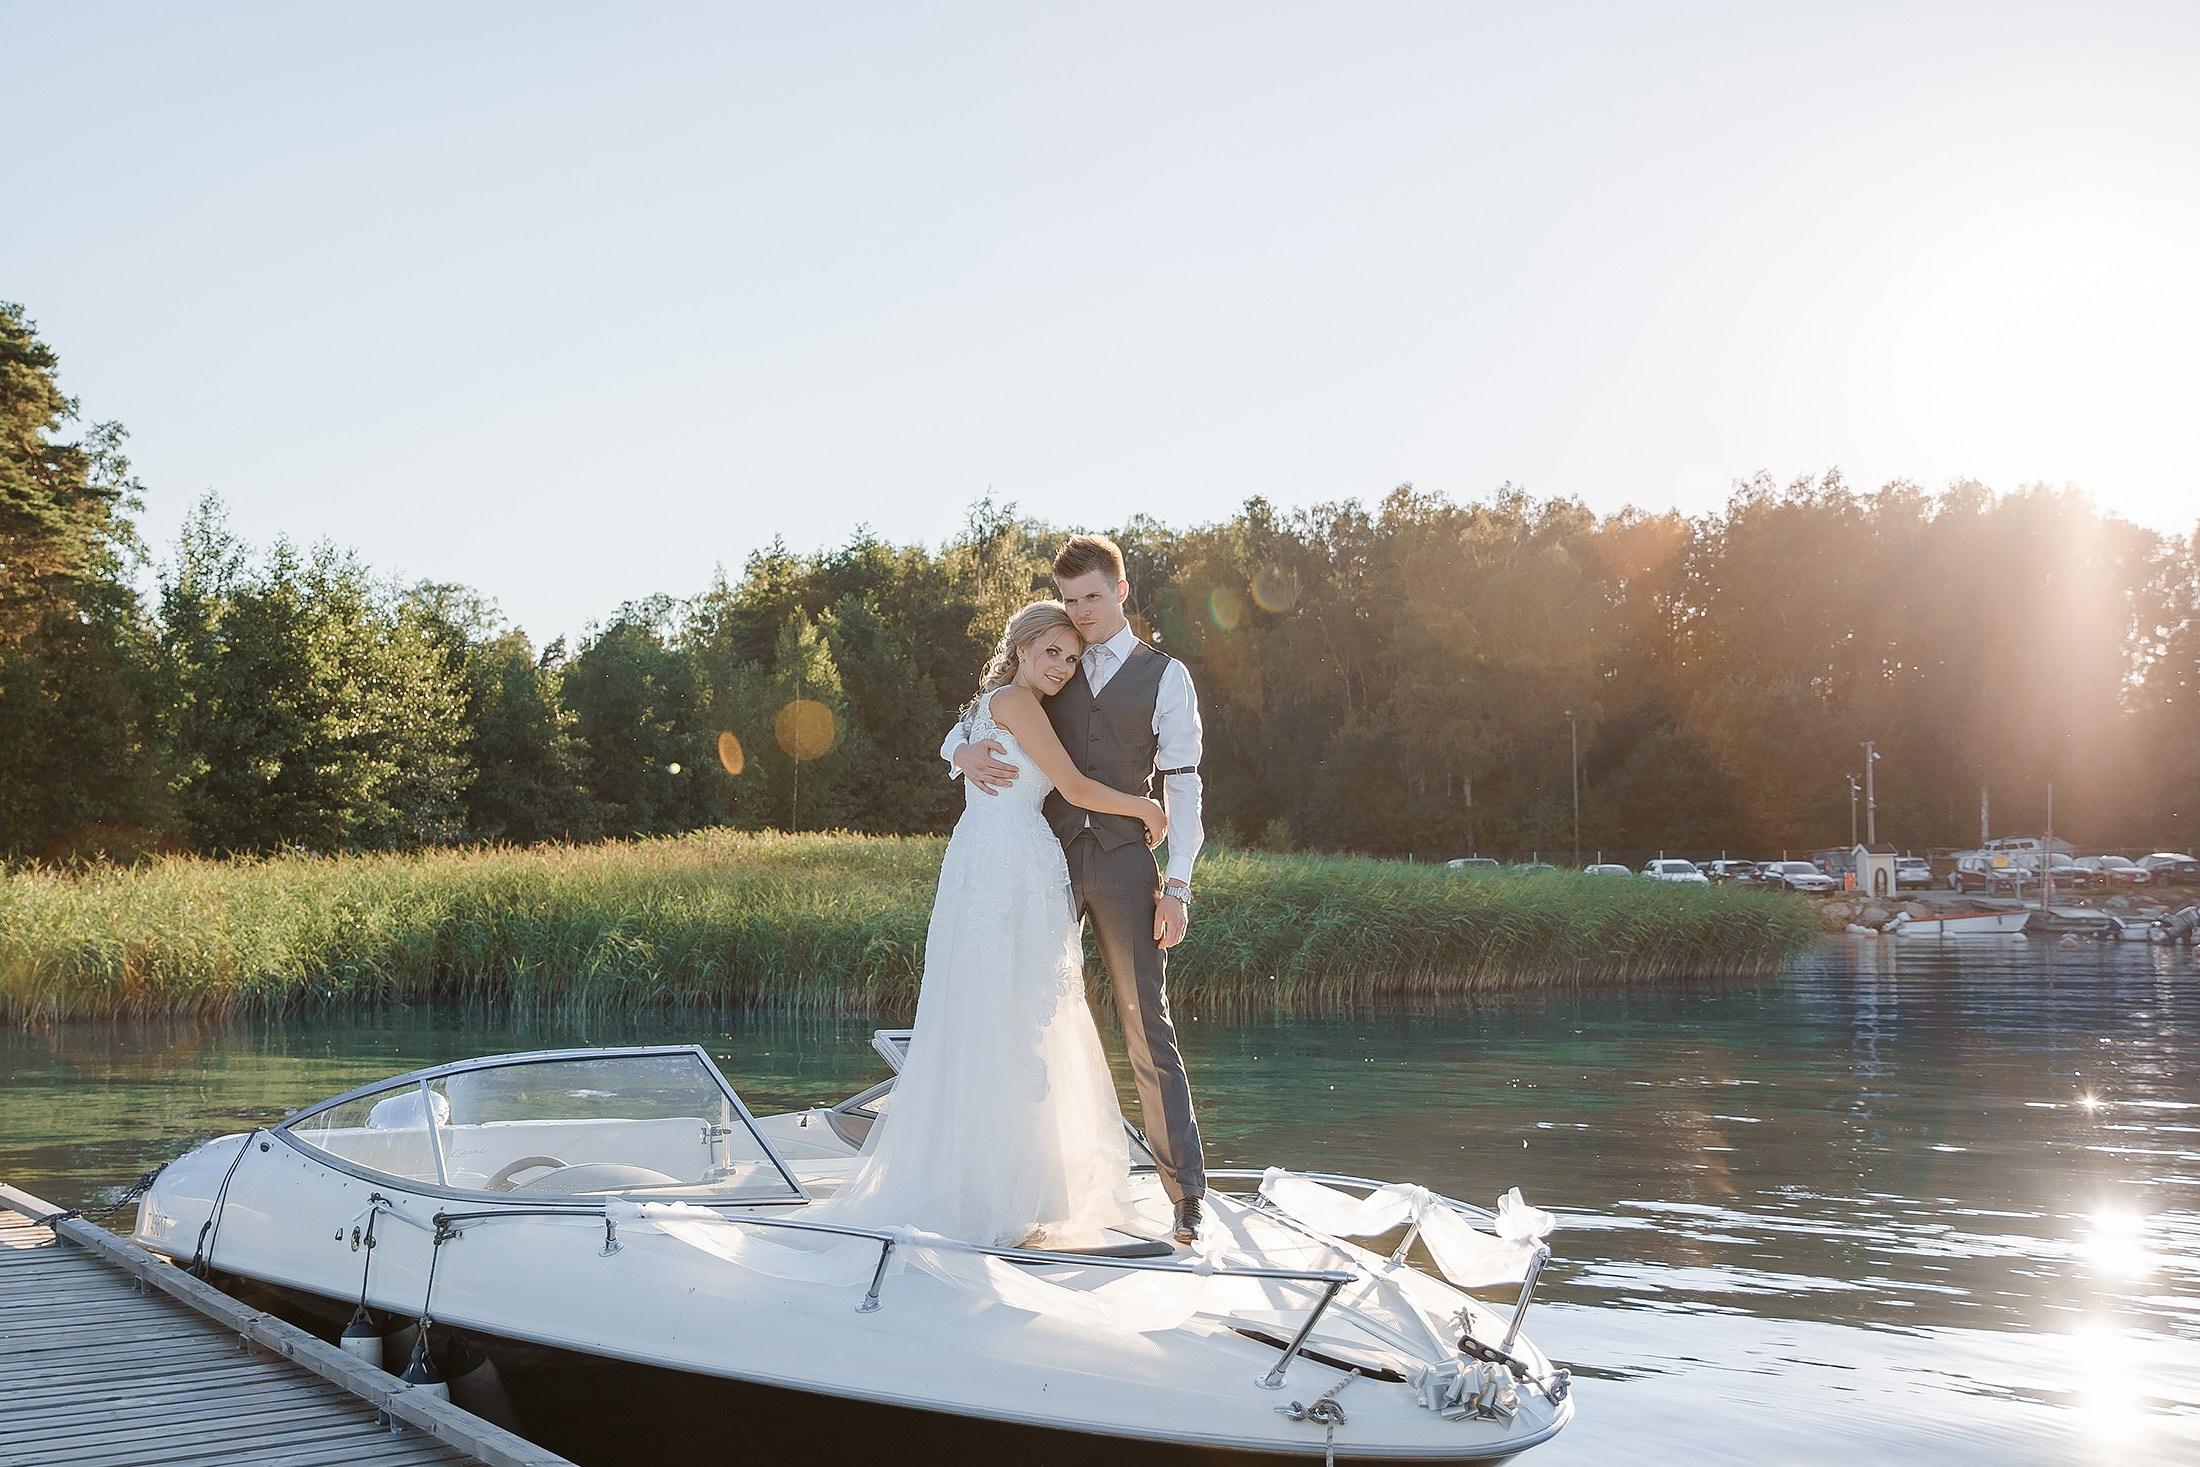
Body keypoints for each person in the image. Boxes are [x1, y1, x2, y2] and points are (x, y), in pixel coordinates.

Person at [817, 600, 1167, 1249]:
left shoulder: (991, 703)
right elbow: (1075, 786)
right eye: (1051, 652)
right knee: (1012, 1019)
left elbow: (949, 738)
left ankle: (1003, 1181)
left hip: (989, 856)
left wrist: (959, 753)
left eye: (1071, 657)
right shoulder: (1017, 701)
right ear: (1022, 647)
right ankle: (1002, 1194)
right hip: (1005, 862)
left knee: (1001, 1015)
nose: (1062, 666)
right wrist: (1143, 803)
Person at [943, 533, 1210, 1246]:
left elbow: (1183, 785)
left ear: (1120, 592)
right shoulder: (1048, 662)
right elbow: (979, 717)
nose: (1081, 612)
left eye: (1092, 596)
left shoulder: (1165, 675)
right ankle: (1022, 1180)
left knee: (1144, 1024)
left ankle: (1186, 1197)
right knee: (1027, 1014)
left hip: (1126, 863)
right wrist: (963, 752)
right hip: (1044, 860)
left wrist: (1176, 884)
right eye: (1069, 599)